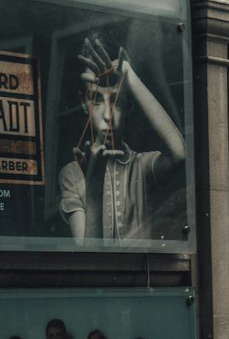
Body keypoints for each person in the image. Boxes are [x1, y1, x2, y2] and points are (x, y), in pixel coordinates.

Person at [58, 33, 185, 242]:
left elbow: (180, 153)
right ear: (84, 104)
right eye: (98, 99)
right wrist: (94, 190)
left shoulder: (139, 165)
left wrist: (128, 73)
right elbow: (87, 257)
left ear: (129, 106)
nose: (108, 114)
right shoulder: (72, 173)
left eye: (117, 101)